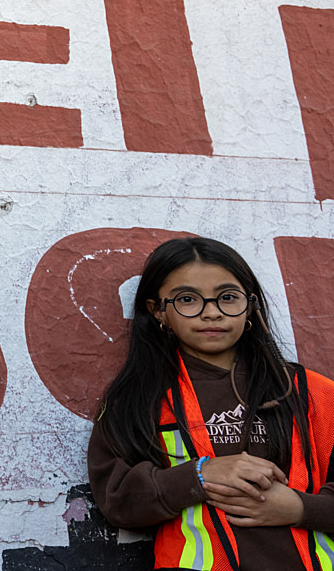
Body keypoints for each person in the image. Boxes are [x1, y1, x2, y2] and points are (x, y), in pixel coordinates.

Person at [89, 236, 334, 570]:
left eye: (228, 297)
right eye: (188, 299)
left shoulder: (312, 392)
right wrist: (199, 475)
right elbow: (117, 500)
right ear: (158, 310)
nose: (212, 313)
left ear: (250, 305)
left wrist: (301, 508)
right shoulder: (136, 400)